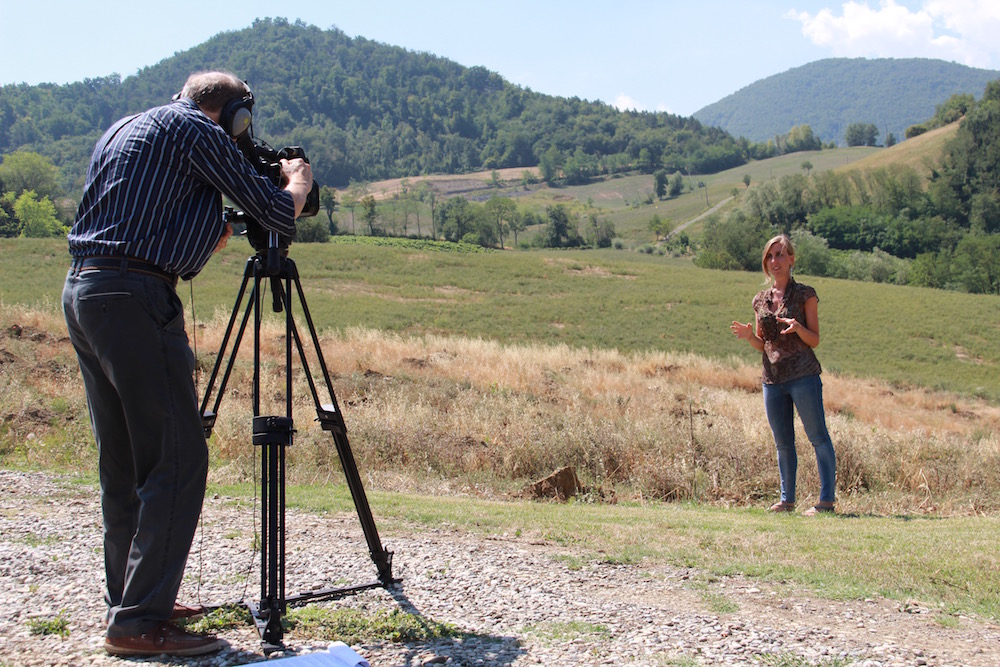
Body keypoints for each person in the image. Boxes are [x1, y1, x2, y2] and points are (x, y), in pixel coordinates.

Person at [62, 71, 314, 656]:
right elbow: (277, 215)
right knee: (176, 458)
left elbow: (164, 220)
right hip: (134, 296)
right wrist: (295, 182)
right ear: (232, 114)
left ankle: (130, 601)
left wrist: (216, 222)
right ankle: (139, 626)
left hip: (87, 291)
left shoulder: (129, 127)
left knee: (125, 461)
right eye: (242, 123)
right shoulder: (197, 130)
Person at [730, 234, 837, 516]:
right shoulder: (760, 300)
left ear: (791, 259)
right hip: (772, 380)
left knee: (817, 436)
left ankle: (826, 501)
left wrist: (797, 328)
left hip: (803, 375)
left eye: (780, 255)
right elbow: (762, 345)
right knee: (783, 442)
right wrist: (749, 335)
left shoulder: (805, 294)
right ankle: (786, 500)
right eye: (770, 256)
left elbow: (814, 339)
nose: (774, 261)